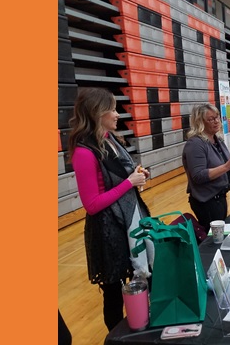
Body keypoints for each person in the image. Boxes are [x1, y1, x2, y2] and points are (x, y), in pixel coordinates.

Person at [68, 88, 152, 331]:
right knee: (113, 296)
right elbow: (92, 205)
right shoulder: (84, 152)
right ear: (97, 113)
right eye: (112, 109)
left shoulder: (109, 139)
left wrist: (136, 174)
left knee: (142, 281)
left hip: (125, 223)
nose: (117, 114)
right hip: (107, 233)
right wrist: (129, 183)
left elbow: (120, 177)